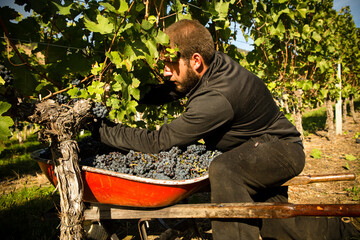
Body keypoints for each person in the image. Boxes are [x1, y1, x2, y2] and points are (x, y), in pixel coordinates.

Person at [92, 19, 359, 240]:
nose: (165, 71)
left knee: (224, 169)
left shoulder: (217, 98)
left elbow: (160, 141)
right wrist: (126, 92)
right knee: (277, 220)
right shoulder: (210, 65)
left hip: (280, 150)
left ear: (195, 60)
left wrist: (102, 131)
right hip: (254, 147)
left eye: (171, 64)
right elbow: (173, 88)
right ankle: (346, 233)